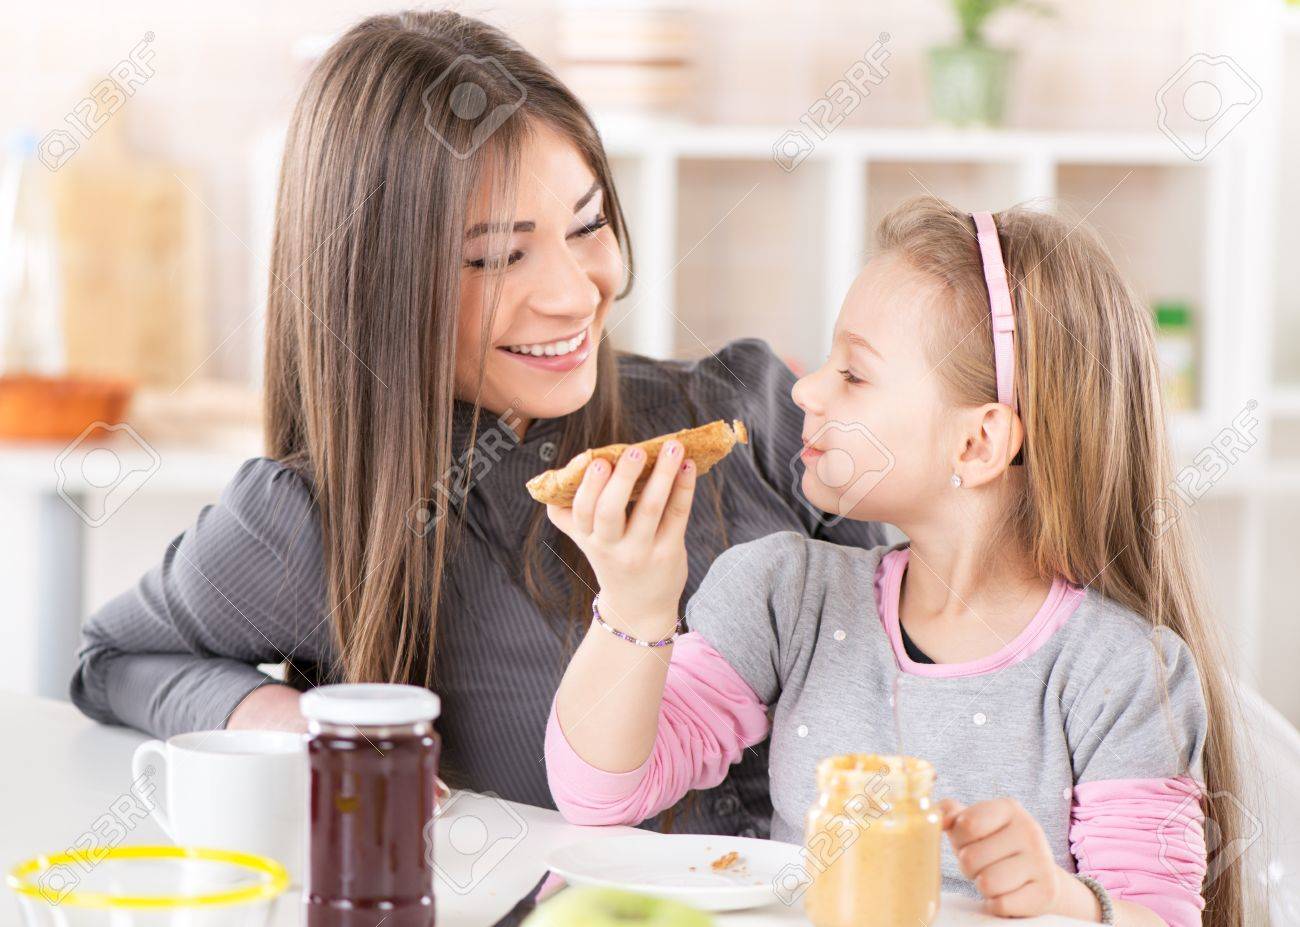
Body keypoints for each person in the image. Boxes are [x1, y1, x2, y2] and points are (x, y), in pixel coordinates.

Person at [68, 10, 885, 836]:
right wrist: (304, 731)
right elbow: (114, 659)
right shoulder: (312, 519)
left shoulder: (753, 414)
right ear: (373, 280)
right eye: (497, 256)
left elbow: (955, 653)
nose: (574, 293)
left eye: (589, 223)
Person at [545, 196, 1247, 925]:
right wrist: (635, 603)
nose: (802, 389)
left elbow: (1161, 916)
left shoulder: (1119, 673)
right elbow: (602, 792)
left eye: (854, 374)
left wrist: (1063, 899)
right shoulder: (785, 596)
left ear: (976, 444)